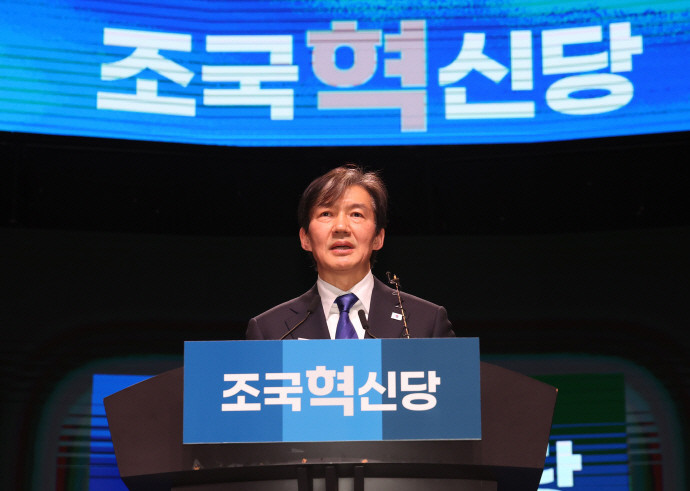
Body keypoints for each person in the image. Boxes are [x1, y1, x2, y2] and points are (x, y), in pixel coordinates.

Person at [246, 165, 455, 340]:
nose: (341, 227)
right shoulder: (269, 331)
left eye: (356, 214)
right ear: (305, 238)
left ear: (378, 237)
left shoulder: (426, 322)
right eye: (326, 213)